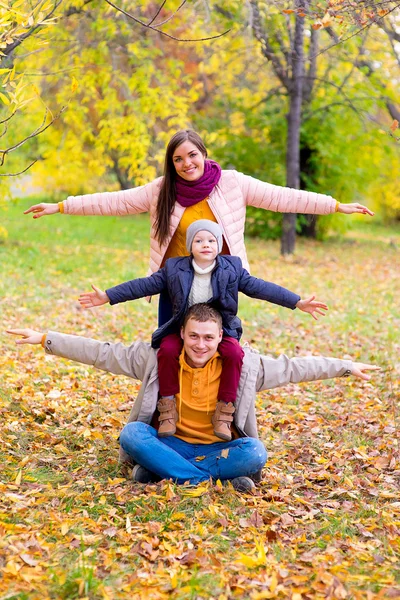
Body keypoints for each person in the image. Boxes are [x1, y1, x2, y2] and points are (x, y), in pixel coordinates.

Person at [7, 304, 380, 493]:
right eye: (194, 336)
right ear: (182, 335)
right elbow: (103, 352)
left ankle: (162, 473)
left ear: (220, 339)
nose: (201, 345)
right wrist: (46, 338)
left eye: (208, 338)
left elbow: (298, 367)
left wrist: (345, 366)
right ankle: (208, 481)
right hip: (167, 442)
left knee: (255, 452)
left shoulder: (246, 367)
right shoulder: (156, 359)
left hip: (217, 448)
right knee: (133, 435)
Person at [23, 129, 374, 326]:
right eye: (178, 159)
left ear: (203, 152)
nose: (186, 163)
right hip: (174, 282)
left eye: (192, 155)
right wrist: (61, 205)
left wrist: (334, 205)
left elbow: (282, 198)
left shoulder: (232, 183)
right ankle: (165, 417)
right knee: (168, 348)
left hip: (221, 281)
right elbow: (113, 201)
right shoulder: (163, 190)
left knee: (218, 351)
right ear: (171, 163)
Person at [78, 220, 328, 441]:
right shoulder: (174, 269)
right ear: (190, 246)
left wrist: (296, 302)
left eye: (211, 240)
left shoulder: (232, 269)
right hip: (184, 327)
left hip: (220, 329)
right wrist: (109, 296)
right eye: (199, 240)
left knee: (233, 355)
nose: (205, 244)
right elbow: (144, 285)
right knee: (166, 351)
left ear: (219, 245)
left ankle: (224, 409)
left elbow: (260, 287)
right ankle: (167, 407)